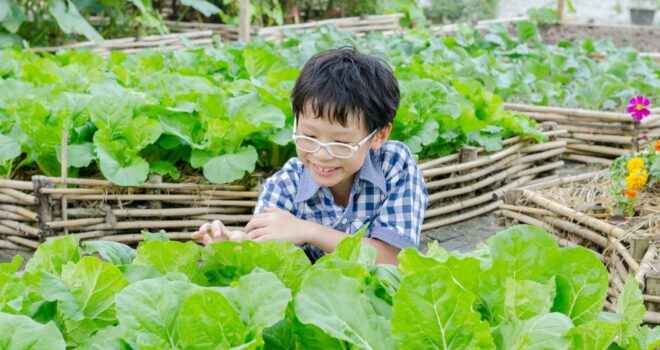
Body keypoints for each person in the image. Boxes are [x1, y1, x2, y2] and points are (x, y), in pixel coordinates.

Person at [191, 46, 428, 264]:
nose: (322, 154)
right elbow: (264, 252)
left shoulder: (394, 165)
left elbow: (396, 260)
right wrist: (230, 245)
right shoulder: (285, 185)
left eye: (341, 142)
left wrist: (308, 231)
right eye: (309, 136)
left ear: (379, 135)